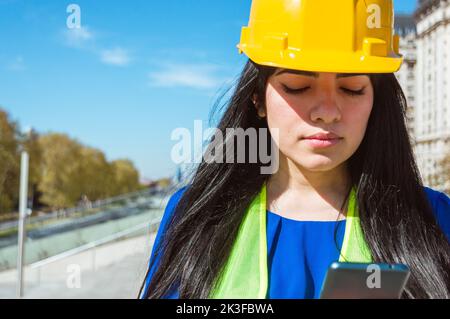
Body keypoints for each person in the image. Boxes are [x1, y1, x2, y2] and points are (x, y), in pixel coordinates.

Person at [140, 0, 450, 299]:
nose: (327, 112)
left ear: (375, 101)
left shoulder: (432, 217)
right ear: (258, 99)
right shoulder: (193, 216)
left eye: (351, 88)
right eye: (298, 87)